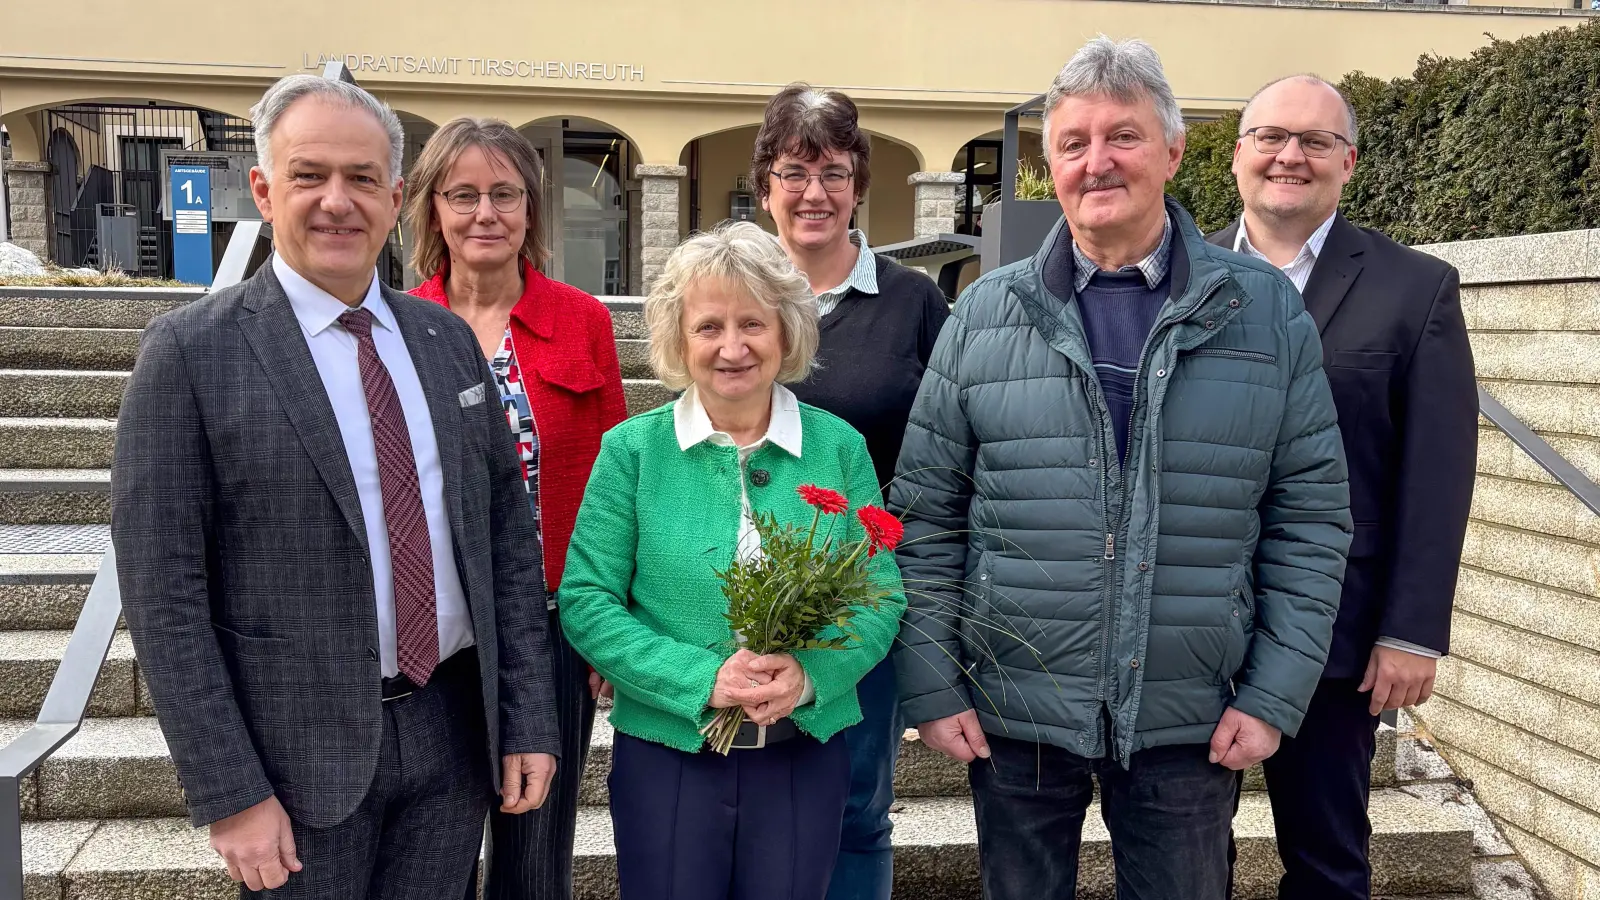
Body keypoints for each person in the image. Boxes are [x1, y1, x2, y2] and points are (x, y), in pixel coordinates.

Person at [889, 37, 1353, 900]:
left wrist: (1274, 692)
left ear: (1174, 150)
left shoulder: (1261, 313)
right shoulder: (986, 312)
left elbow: (1310, 518)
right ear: (1048, 165)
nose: (1096, 163)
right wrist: (932, 681)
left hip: (1192, 713)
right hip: (1015, 711)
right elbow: (924, 515)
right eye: (1073, 144)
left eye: (1124, 138)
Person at [111, 74, 560, 899]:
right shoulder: (190, 355)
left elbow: (506, 538)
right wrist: (229, 791)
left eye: (360, 179)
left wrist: (529, 716)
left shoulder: (444, 341)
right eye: (308, 175)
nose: (335, 202)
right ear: (263, 189)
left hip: (452, 734)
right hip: (293, 760)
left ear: (393, 199)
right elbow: (164, 595)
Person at [557, 221, 908, 900]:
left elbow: (881, 594)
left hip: (803, 752)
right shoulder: (632, 452)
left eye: (753, 323)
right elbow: (587, 600)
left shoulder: (838, 447)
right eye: (709, 326)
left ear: (787, 333)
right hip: (670, 757)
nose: (732, 347)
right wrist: (703, 678)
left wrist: (810, 675)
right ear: (678, 339)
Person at [1208, 74, 1477, 900]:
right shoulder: (1176, 280)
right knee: (1180, 857)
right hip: (1192, 621)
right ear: (1238, 157)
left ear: (1348, 162)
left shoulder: (1414, 287)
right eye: (1271, 137)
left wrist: (1413, 630)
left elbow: (1437, 471)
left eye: (1316, 141)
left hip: (1340, 631)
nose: (1291, 156)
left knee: (1327, 861)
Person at [402, 116, 627, 900]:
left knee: (536, 855)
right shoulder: (396, 324)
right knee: (435, 850)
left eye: (504, 194)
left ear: (532, 209)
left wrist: (609, 630)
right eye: (463, 195)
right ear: (432, 208)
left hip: (554, 625)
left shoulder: (582, 321)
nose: (484, 213)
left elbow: (615, 488)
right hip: (435, 635)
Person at [748, 82, 950, 900]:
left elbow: (943, 454)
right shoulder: (737, 293)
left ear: (859, 184)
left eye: (833, 172)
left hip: (861, 599)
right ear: (766, 185)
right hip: (735, 592)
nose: (814, 193)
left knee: (857, 808)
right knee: (747, 801)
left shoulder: (913, 303)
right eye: (794, 171)